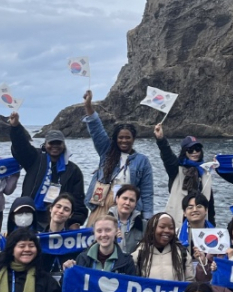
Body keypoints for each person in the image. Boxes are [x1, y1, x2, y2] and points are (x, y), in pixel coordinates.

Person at [82, 89, 153, 219]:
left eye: (128, 137)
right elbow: (96, 130)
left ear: (133, 139)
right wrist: (88, 106)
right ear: (115, 139)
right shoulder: (106, 151)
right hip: (103, 205)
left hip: (129, 208)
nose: (124, 140)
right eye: (120, 137)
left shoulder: (142, 161)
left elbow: (147, 192)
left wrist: (147, 218)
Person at [7, 110, 86, 221]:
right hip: (31, 213)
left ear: (64, 145)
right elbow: (21, 146)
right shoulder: (35, 159)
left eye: (58, 143)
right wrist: (15, 127)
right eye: (51, 143)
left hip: (58, 217)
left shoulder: (73, 170)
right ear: (45, 144)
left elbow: (78, 198)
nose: (55, 146)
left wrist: (76, 220)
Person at [155, 124, 215, 225]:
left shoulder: (205, 172)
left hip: (200, 224)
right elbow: (167, 156)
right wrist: (161, 139)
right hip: (178, 220)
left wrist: (213, 227)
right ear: (184, 152)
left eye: (197, 149)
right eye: (190, 150)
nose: (194, 152)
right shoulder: (175, 168)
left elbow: (210, 205)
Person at [71, 215, 138, 273]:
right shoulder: (83, 258)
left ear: (116, 231)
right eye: (99, 231)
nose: (103, 234)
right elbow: (73, 284)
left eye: (108, 230)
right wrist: (67, 271)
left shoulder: (127, 261)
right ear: (94, 233)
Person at [108, 184, 146, 253]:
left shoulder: (143, 225)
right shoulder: (104, 222)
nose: (127, 203)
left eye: (131, 200)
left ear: (136, 204)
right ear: (117, 199)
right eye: (124, 198)